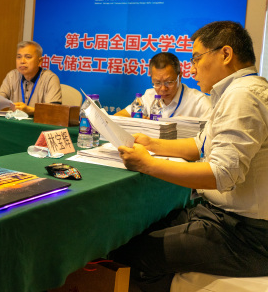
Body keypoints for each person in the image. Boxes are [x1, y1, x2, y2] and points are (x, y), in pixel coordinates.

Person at [112, 21, 268, 292]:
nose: (192, 69)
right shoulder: (234, 91)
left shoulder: (243, 96)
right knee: (133, 229)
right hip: (221, 217)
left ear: (225, 54)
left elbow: (221, 174)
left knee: (133, 251)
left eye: (196, 58)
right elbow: (201, 144)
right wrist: (153, 144)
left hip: (245, 234)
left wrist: (148, 164)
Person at [115, 52, 210, 118]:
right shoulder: (149, 96)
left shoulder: (198, 101)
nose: (163, 89)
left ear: (180, 76)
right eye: (157, 83)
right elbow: (118, 116)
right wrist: (141, 120)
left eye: (169, 82)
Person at [0, 41, 61, 116]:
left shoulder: (50, 79)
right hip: (14, 121)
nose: (22, 61)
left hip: (38, 122)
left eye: (28, 57)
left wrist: (31, 110)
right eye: (19, 57)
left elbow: (54, 111)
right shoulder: (12, 76)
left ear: (40, 61)